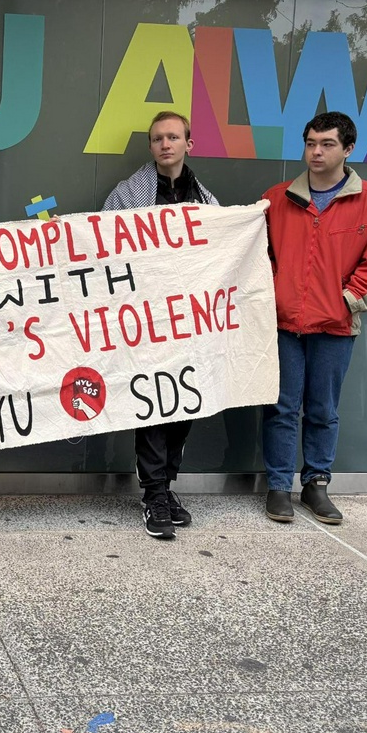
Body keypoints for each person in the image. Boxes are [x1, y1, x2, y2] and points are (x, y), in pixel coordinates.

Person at [261, 111, 367, 524]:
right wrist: (270, 297)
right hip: (284, 324)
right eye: (310, 143)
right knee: (282, 408)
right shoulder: (277, 198)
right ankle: (279, 486)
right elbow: (258, 257)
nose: (315, 152)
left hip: (336, 326)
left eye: (327, 144)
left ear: (348, 149)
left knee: (323, 409)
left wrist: (347, 302)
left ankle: (316, 484)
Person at [101, 110, 219, 540]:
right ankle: (153, 494)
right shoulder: (128, 195)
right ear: (150, 147)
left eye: (173, 137)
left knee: (183, 401)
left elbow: (219, 255)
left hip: (190, 322)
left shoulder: (208, 201)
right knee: (152, 403)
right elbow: (105, 250)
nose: (164, 144)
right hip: (145, 321)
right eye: (157, 139)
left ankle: (166, 486)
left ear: (190, 143)